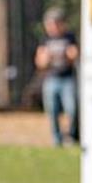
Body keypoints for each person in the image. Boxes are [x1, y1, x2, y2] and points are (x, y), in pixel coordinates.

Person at [35, 9, 79, 147]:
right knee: (52, 111)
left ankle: (71, 136)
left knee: (71, 109)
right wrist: (45, 58)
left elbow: (75, 55)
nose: (51, 27)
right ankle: (57, 139)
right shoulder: (45, 39)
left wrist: (70, 55)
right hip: (51, 79)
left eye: (54, 24)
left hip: (67, 79)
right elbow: (39, 62)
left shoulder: (69, 37)